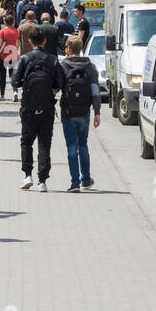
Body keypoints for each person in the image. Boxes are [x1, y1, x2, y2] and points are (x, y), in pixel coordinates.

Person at [10, 25, 63, 192]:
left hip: (28, 108)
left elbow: (14, 81)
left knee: (26, 142)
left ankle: (27, 175)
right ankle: (42, 181)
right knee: (44, 144)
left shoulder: (25, 59)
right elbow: (60, 82)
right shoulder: (52, 59)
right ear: (45, 41)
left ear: (29, 41)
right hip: (47, 108)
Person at [58, 35, 101, 193]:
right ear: (81, 48)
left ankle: (74, 183)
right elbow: (95, 92)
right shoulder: (90, 67)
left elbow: (57, 88)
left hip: (68, 112)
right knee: (83, 145)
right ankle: (86, 179)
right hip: (84, 112)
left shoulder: (63, 66)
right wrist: (97, 112)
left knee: (71, 147)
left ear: (68, 49)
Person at [0, 15, 19, 99]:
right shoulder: (16, 31)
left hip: (3, 56)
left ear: (5, 22)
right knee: (13, 75)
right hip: (13, 55)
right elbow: (17, 44)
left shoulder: (2, 31)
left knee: (3, 76)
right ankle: (15, 91)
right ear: (13, 22)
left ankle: (2, 95)